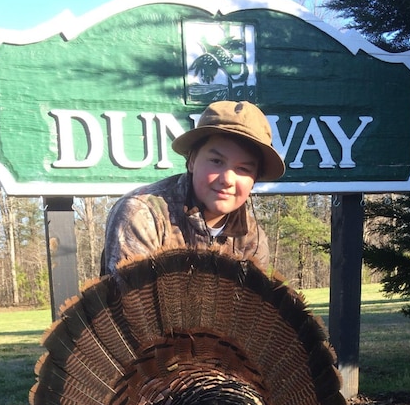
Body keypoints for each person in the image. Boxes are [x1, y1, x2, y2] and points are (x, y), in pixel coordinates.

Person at [101, 100, 285, 277]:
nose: (228, 179)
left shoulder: (252, 239)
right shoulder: (142, 214)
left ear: (254, 179)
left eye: (243, 169)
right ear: (192, 161)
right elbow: (131, 305)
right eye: (216, 161)